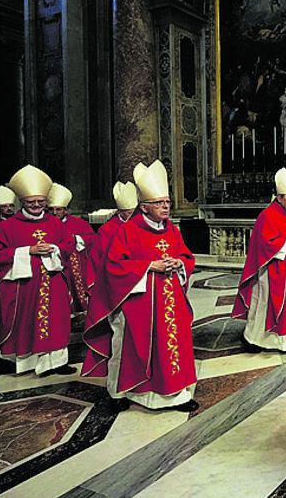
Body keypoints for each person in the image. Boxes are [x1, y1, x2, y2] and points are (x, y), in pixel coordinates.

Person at [87, 161, 198, 412]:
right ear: (144, 207)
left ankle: (176, 395)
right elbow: (114, 266)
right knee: (127, 347)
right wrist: (150, 267)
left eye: (167, 202)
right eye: (160, 203)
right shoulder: (127, 232)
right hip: (139, 302)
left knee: (173, 344)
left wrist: (178, 263)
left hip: (170, 300)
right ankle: (120, 394)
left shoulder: (172, 231)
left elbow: (187, 257)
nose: (166, 207)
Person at [0, 165, 77, 376]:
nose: (37, 205)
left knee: (56, 322)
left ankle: (55, 362)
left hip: (53, 280)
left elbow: (69, 245)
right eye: (31, 202)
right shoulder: (7, 226)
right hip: (22, 285)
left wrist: (56, 248)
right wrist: (26, 251)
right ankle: (16, 361)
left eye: (41, 201)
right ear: (22, 202)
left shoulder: (57, 224)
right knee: (22, 323)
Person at [232, 166, 286, 353]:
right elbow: (264, 243)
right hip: (271, 271)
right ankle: (256, 340)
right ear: (279, 197)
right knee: (264, 304)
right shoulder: (267, 215)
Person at [81, 182, 137, 382]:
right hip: (116, 294)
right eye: (130, 212)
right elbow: (98, 265)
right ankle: (117, 389)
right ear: (120, 211)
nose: (134, 216)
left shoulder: (145, 227)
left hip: (143, 294)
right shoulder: (107, 231)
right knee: (119, 343)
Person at [48, 183, 96, 313]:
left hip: (75, 266)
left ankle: (79, 313)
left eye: (58, 209)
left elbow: (92, 239)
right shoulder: (45, 224)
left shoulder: (78, 223)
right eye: (51, 209)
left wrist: (77, 240)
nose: (54, 213)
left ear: (66, 210)